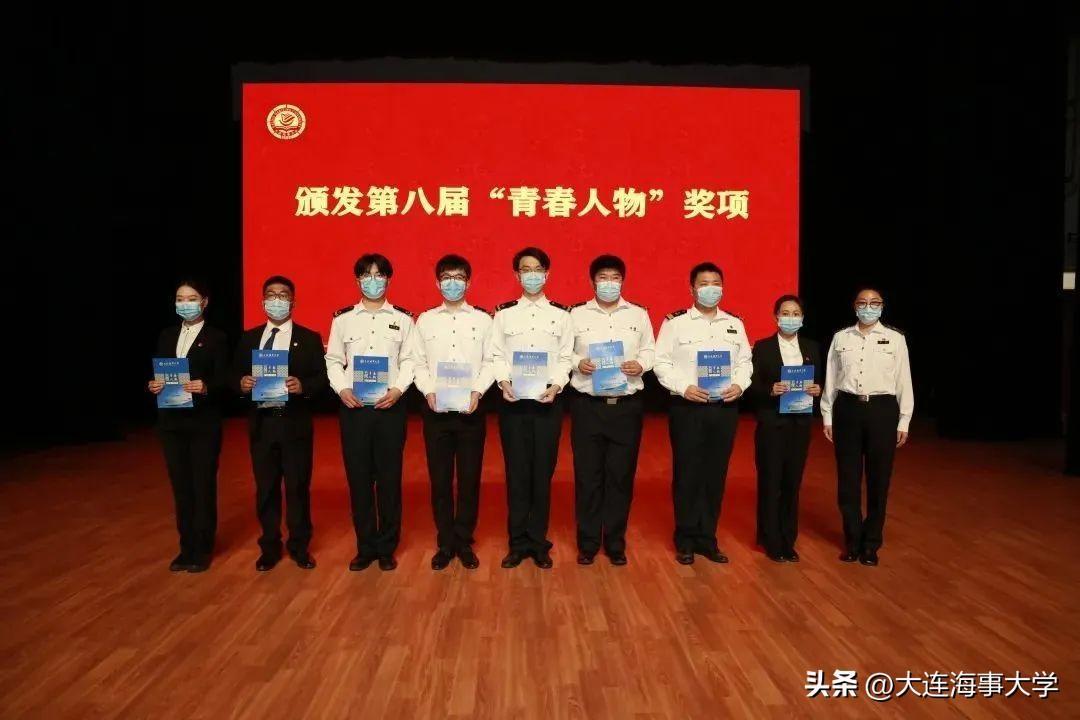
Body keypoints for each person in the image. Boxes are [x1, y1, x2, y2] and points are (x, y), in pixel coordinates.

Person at [653, 262, 751, 565]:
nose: (711, 289)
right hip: (688, 408)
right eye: (704, 284)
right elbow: (661, 362)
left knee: (715, 474)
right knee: (687, 473)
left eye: (716, 283)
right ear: (692, 288)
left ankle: (708, 538)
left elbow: (745, 361)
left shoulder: (734, 323)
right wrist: (683, 387)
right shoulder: (675, 323)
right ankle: (685, 538)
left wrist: (740, 384)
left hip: (723, 408)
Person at [325, 254, 415, 572]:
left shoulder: (404, 319)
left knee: (389, 480)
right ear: (357, 280)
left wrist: (399, 389)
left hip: (390, 408)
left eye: (379, 275)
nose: (373, 280)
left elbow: (409, 360)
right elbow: (333, 360)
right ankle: (365, 547)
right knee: (359, 480)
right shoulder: (343, 320)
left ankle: (387, 547)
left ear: (389, 279)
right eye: (366, 275)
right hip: (355, 409)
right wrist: (342, 389)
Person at [486, 246, 573, 569]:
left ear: (547, 274)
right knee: (517, 472)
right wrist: (503, 381)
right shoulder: (504, 314)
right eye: (526, 270)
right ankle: (517, 542)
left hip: (548, 403)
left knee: (542, 473)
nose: (532, 275)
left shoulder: (561, 316)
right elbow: (496, 354)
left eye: (537, 270)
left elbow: (565, 357)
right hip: (513, 403)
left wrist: (556, 385)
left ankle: (538, 541)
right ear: (517, 275)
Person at [234, 275, 327, 572]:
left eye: (283, 295)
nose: (277, 300)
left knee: (298, 487)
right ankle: (269, 547)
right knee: (266, 488)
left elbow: (322, 378)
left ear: (293, 301)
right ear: (263, 301)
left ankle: (299, 546)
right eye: (271, 295)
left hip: (294, 424)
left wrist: (304, 386)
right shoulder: (249, 338)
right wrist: (241, 383)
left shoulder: (309, 338)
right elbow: (233, 375)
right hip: (262, 424)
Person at [567, 254, 655, 566]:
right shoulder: (575, 315)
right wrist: (578, 363)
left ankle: (615, 542)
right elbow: (563, 352)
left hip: (625, 408)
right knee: (588, 477)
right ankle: (588, 542)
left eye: (615, 278)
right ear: (592, 282)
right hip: (587, 406)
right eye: (603, 277)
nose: (609, 283)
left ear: (623, 281)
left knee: (620, 476)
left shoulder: (638, 314)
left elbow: (650, 350)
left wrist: (641, 364)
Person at [411, 254, 494, 571]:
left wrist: (478, 391)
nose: (453, 283)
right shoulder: (425, 321)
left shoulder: (484, 321)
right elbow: (418, 362)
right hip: (436, 411)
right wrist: (428, 390)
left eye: (459, 277)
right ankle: (445, 542)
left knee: (470, 479)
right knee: (441, 480)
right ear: (437, 282)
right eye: (446, 277)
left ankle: (464, 540)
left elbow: (490, 361)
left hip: (471, 410)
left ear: (469, 283)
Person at [821, 288, 913, 566]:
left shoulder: (895, 339)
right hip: (847, 409)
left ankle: (871, 543)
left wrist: (904, 419)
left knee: (878, 479)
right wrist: (827, 416)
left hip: (882, 411)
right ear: (854, 306)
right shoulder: (841, 337)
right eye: (862, 302)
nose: (868, 307)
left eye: (874, 303)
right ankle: (852, 540)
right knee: (848, 481)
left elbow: (904, 380)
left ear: (882, 306)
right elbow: (831, 377)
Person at [147, 279, 228, 573]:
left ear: (204, 302)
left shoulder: (217, 337)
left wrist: (206, 387)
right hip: (171, 423)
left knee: (202, 485)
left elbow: (225, 380)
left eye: (191, 298)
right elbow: (159, 372)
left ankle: (203, 548)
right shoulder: (166, 335)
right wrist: (154, 385)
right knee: (181, 487)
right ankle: (186, 547)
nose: (185, 303)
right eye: (180, 298)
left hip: (202, 423)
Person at [749, 295, 822, 563]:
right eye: (785, 313)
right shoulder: (763, 347)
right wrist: (771, 390)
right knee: (770, 482)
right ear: (776, 317)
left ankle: (788, 538)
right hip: (772, 424)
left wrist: (817, 390)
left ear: (802, 318)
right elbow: (751, 386)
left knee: (792, 482)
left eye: (796, 313)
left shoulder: (812, 347)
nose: (791, 318)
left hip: (800, 424)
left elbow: (818, 382)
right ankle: (770, 538)